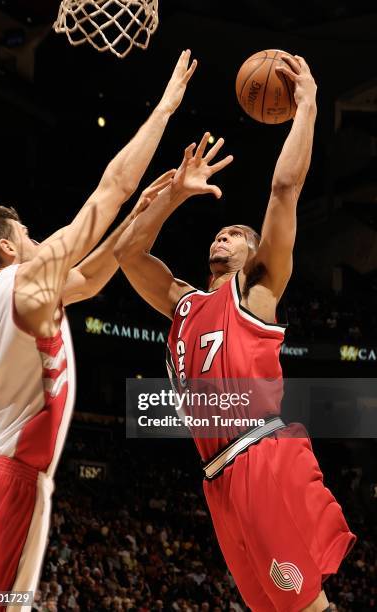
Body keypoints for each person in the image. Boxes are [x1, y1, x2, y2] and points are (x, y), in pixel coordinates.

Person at [114, 54, 356, 611]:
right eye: (219, 232)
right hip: (217, 476)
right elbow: (129, 255)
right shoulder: (183, 302)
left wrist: (307, 107)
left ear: (252, 251)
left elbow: (284, 191)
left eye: (234, 234)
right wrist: (174, 191)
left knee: (306, 607)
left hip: (260, 453)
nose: (223, 236)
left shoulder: (257, 289)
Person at [0, 50, 196, 607]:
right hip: (10, 476)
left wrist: (141, 215)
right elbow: (107, 188)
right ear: (7, 247)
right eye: (26, 234)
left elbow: (92, 278)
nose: (35, 238)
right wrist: (165, 109)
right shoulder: (24, 283)